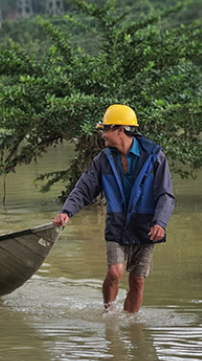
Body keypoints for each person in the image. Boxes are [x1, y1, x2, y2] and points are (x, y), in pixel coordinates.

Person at [52, 104, 175, 313]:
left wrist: (160, 222)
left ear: (120, 130)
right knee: (115, 272)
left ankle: (130, 323)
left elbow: (165, 194)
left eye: (106, 129)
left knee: (137, 281)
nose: (102, 135)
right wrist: (67, 211)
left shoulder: (155, 157)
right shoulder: (103, 160)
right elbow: (84, 189)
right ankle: (109, 313)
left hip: (145, 227)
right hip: (117, 225)